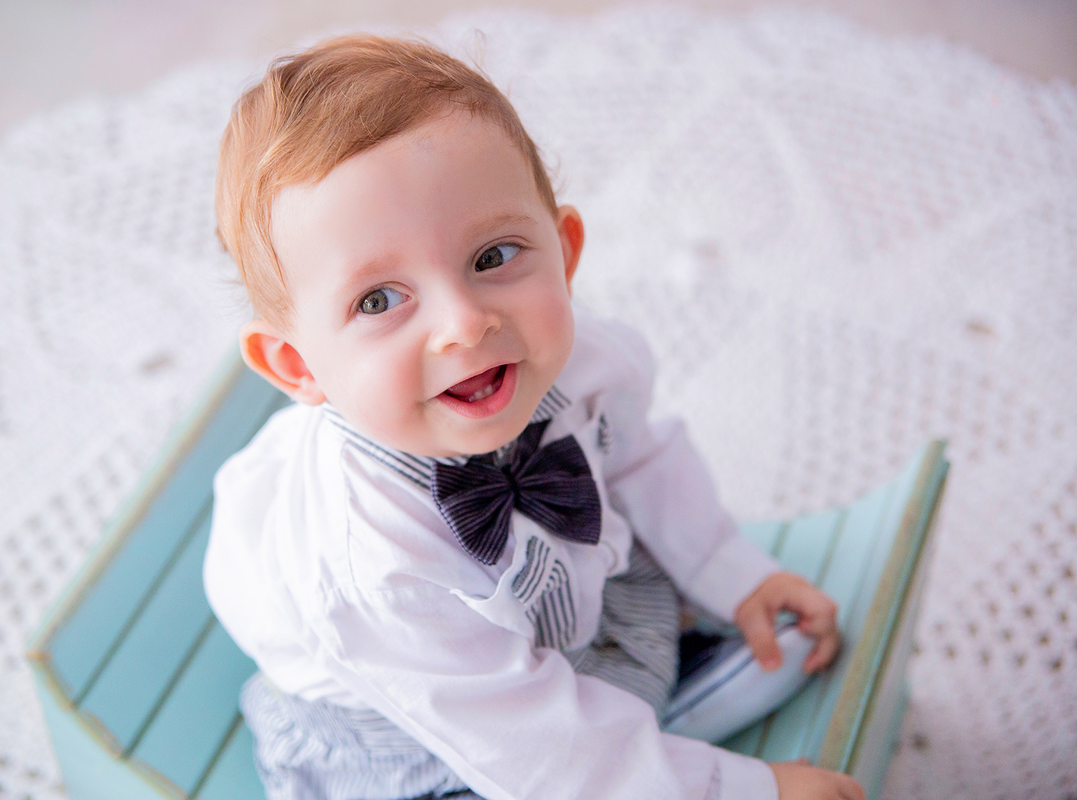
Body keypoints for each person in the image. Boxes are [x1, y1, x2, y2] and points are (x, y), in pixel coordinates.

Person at [203, 34, 865, 800]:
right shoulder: (373, 565)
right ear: (300, 366)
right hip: (419, 713)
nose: (464, 324)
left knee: (634, 595)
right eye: (379, 300)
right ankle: (656, 760)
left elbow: (639, 459)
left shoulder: (581, 360)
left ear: (564, 249)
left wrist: (731, 574)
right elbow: (533, 753)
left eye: (492, 257)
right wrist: (749, 790)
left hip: (548, 604)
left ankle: (640, 719)